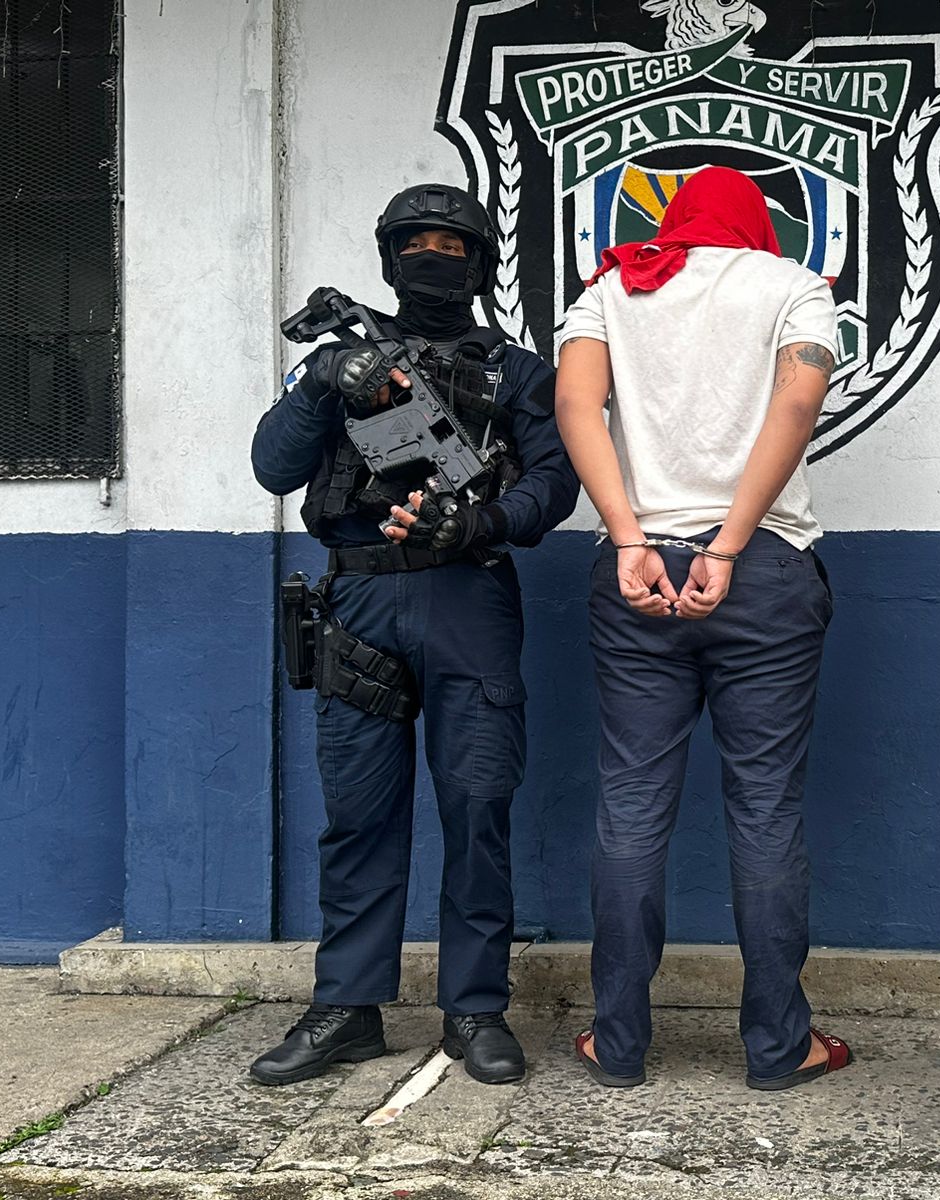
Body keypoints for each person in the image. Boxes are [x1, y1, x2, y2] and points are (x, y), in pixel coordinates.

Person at [248, 183, 579, 1086]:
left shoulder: (518, 373)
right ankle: (347, 1007)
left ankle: (476, 1011)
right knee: (358, 816)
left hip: (468, 598)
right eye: (416, 244)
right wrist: (326, 381)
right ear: (389, 259)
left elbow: (554, 485)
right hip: (359, 601)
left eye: (453, 245)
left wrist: (478, 522)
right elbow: (273, 465)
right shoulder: (340, 359)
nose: (433, 258)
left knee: (478, 809)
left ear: (481, 264)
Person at [554, 166, 851, 1092]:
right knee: (765, 808)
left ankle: (618, 1041)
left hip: (637, 570)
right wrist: (726, 546)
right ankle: (778, 1046)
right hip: (762, 574)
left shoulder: (612, 290)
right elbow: (797, 403)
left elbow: (575, 406)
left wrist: (628, 535)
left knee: (632, 805)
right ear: (756, 223)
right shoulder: (793, 287)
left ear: (677, 220)